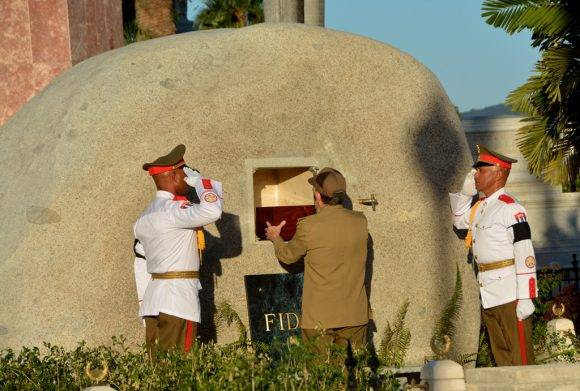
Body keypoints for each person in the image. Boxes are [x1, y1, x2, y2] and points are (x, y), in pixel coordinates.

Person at [449, 145, 537, 366]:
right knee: (502, 359)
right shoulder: (480, 207)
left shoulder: (511, 208)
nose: (475, 175)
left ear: (498, 172)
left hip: (510, 294)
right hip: (488, 292)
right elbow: (459, 221)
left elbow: (524, 251)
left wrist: (526, 296)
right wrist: (464, 194)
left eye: (480, 170)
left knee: (520, 360)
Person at [133, 144, 222, 358]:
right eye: (184, 173)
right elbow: (213, 210)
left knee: (158, 369)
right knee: (180, 368)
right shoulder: (175, 211)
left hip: (153, 301)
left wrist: (143, 303)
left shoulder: (144, 217)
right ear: (174, 176)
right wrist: (202, 183)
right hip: (178, 302)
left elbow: (140, 261)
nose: (187, 179)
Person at [265, 167, 369, 350]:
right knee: (353, 374)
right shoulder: (360, 222)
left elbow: (288, 256)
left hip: (321, 319)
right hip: (355, 315)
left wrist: (276, 238)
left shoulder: (309, 226)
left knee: (321, 375)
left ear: (318, 196)